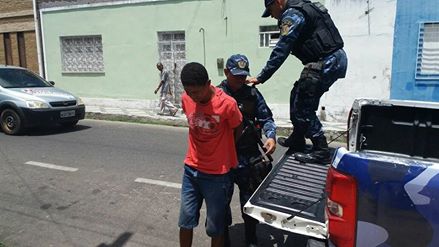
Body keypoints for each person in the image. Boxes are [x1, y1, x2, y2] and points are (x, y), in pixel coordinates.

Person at [247, 0, 348, 164]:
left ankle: (321, 150)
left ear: (279, 2)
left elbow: (282, 48)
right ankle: (298, 138)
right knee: (296, 94)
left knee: (303, 106)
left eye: (271, 10)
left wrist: (262, 76)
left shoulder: (292, 14)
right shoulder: (300, 8)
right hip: (328, 60)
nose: (272, 16)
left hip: (327, 61)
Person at [178, 62, 243, 247]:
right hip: (191, 170)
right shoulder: (186, 98)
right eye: (189, 92)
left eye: (197, 92)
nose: (193, 97)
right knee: (185, 221)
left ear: (208, 84)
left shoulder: (227, 104)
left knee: (216, 227)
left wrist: (225, 150)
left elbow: (238, 127)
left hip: (217, 175)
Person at [218, 54, 276, 247]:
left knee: (249, 202)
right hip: (224, 158)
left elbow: (266, 118)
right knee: (222, 203)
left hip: (248, 157)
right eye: (236, 76)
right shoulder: (217, 95)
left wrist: (271, 136)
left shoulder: (252, 94)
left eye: (243, 76)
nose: (240, 80)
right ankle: (223, 238)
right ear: (226, 72)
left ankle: (251, 238)